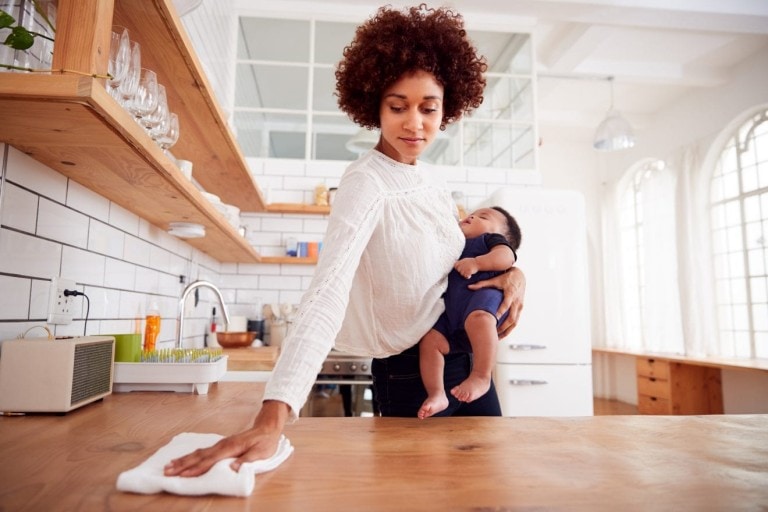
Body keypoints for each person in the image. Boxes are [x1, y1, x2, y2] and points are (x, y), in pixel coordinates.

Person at [164, 4, 526, 478]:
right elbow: (328, 290)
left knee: (486, 490)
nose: (414, 123)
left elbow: (460, 261)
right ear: (374, 105)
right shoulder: (365, 183)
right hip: (410, 376)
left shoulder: (436, 185)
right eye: (398, 107)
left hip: (465, 360)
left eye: (428, 108)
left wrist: (514, 272)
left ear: (448, 107)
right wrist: (273, 414)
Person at [418, 206, 522, 419]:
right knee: (430, 341)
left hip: (483, 299)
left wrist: (477, 263)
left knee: (480, 319)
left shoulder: (489, 241)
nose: (472, 216)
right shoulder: (453, 245)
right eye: (471, 214)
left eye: (483, 217)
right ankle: (437, 394)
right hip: (454, 314)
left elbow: (506, 257)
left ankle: (481, 376)